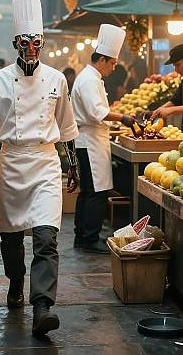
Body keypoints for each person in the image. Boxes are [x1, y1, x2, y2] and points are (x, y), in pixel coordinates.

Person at [0, 0, 79, 337]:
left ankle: (42, 307)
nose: (31, 48)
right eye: (25, 42)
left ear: (42, 42)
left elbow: (66, 127)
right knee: (11, 237)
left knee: (47, 237)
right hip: (12, 162)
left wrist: (73, 165)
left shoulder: (57, 79)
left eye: (36, 42)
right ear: (15, 42)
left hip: (46, 162)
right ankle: (16, 282)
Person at [71, 25, 135, 254]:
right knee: (97, 193)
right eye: (114, 62)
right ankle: (89, 238)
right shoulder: (89, 79)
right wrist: (124, 117)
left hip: (92, 140)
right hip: (89, 142)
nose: (115, 67)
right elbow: (96, 112)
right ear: (104, 60)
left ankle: (82, 236)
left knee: (89, 191)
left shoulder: (92, 77)